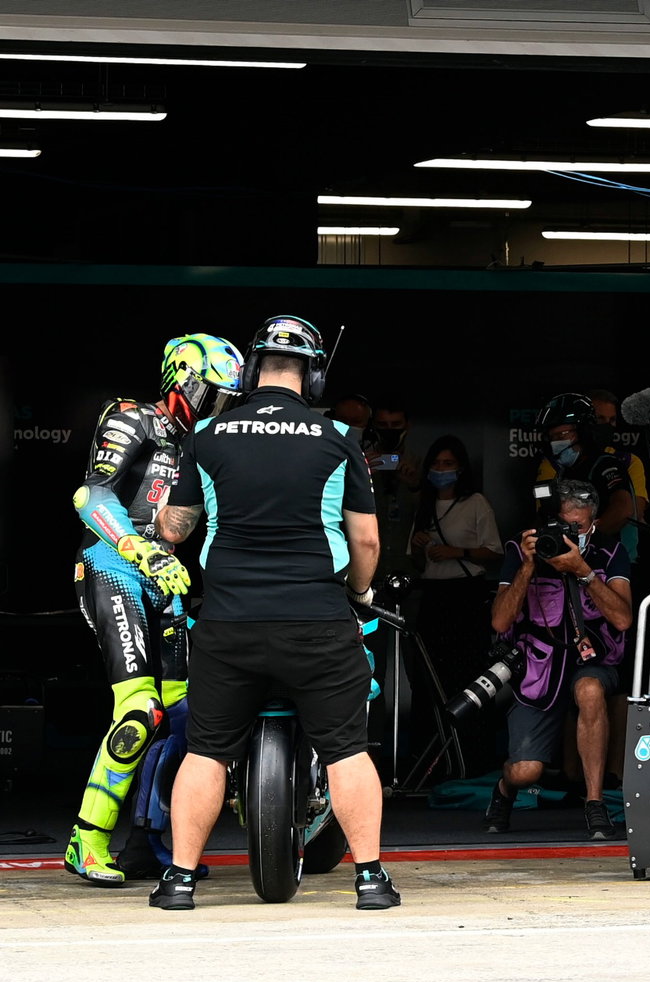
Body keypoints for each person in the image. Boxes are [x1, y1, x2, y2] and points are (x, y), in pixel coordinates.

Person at [152, 313, 399, 910]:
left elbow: (174, 529)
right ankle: (369, 880)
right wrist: (361, 594)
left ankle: (179, 881)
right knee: (346, 748)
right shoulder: (339, 436)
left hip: (228, 623)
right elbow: (366, 540)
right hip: (317, 621)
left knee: (207, 750)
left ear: (253, 369)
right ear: (313, 377)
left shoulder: (206, 434)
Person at [64, 333, 243, 885]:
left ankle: (148, 844)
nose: (218, 408)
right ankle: (87, 840)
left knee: (187, 715)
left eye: (227, 400)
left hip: (167, 576)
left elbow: (188, 525)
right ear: (182, 383)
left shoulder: (200, 445)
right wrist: (137, 548)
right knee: (140, 712)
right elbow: (91, 495)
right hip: (112, 563)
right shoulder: (131, 416)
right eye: (212, 395)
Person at [482, 480, 632, 840]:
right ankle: (504, 789)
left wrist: (583, 571)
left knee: (590, 690)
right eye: (562, 525)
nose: (568, 534)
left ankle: (594, 803)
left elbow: (623, 619)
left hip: (591, 657)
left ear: (593, 523)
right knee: (526, 773)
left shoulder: (610, 551)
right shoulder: (520, 549)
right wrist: (527, 566)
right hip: (538, 666)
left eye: (577, 527)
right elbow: (500, 622)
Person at [410, 435, 502, 713]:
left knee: (468, 669)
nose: (441, 469)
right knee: (428, 671)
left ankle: (471, 734)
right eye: (436, 463)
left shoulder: (475, 502)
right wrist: (418, 545)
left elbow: (495, 551)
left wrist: (457, 552)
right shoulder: (424, 504)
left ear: (460, 468)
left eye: (448, 463)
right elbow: (418, 564)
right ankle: (431, 733)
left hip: (466, 594)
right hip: (432, 594)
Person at [533, 393, 633, 540]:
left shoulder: (606, 465)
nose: (556, 442)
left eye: (562, 435)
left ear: (583, 432)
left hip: (609, 553)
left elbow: (623, 509)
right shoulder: (565, 472)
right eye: (553, 437)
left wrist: (585, 542)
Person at [588, 388, 650, 563]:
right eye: (600, 419)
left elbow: (633, 511)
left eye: (612, 420)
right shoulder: (563, 461)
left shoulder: (628, 461)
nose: (607, 425)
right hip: (572, 560)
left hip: (620, 559)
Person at [369, 401, 422, 581]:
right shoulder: (361, 462)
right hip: (369, 569)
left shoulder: (419, 464)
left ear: (407, 426)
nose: (389, 430)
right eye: (383, 425)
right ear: (374, 426)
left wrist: (414, 485)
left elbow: (433, 514)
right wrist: (359, 477)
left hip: (409, 569)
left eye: (396, 424)